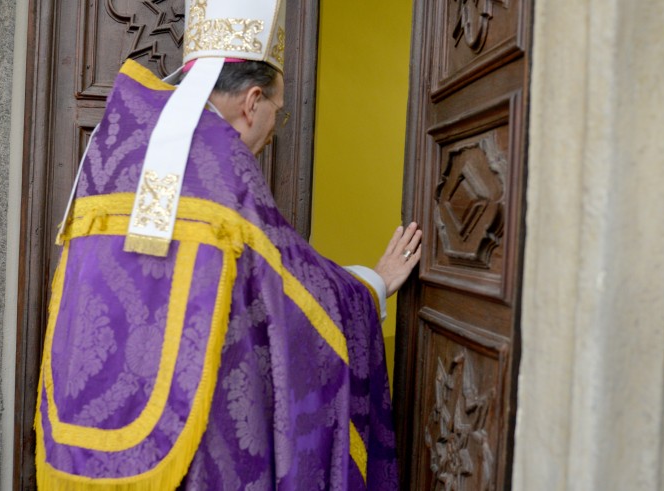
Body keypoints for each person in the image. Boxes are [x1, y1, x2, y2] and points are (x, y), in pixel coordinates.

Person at [34, 1, 421, 489]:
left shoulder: (119, 150)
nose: (273, 125)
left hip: (83, 431)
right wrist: (372, 285)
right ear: (252, 101)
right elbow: (296, 291)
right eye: (277, 110)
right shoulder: (223, 163)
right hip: (201, 442)